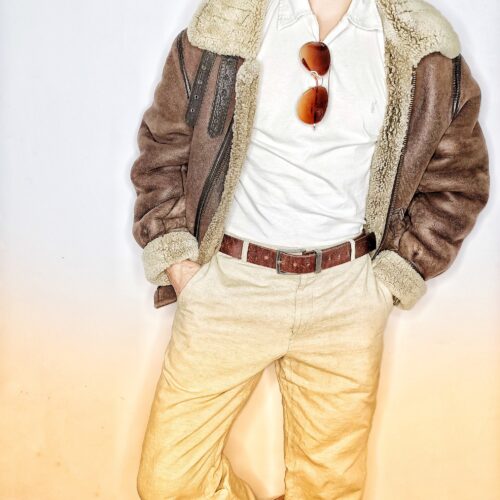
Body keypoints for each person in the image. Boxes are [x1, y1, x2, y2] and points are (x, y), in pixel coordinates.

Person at [130, 0, 490, 497]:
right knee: (168, 482)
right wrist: (178, 263)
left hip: (346, 297)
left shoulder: (424, 47)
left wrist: (392, 278)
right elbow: (163, 147)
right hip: (230, 288)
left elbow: (458, 180)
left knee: (327, 490)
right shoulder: (226, 23)